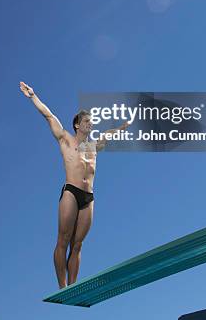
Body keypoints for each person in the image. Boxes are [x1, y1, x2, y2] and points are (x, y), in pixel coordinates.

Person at [19, 81, 129, 288]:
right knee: (64, 239)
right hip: (71, 192)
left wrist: (123, 128)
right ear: (77, 124)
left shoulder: (94, 146)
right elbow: (49, 116)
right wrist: (33, 96)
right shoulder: (66, 140)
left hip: (89, 197)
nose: (90, 124)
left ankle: (73, 286)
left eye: (92, 122)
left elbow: (108, 135)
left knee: (77, 245)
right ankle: (62, 287)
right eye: (87, 121)